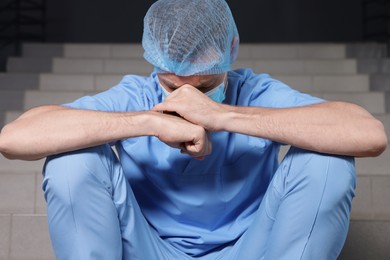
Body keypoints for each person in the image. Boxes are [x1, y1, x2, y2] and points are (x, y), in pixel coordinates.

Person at [0, 0, 387, 259]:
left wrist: (221, 116)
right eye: (173, 86)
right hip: (148, 249)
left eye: (203, 87)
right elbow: (14, 139)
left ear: (231, 48)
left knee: (328, 163)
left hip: (253, 249)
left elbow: (369, 135)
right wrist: (148, 121)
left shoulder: (257, 91)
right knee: (72, 162)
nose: (189, 99)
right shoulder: (136, 95)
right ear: (152, 60)